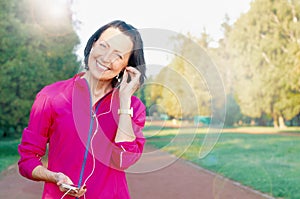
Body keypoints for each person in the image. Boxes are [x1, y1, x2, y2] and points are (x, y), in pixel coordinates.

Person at [18, 20, 147, 199]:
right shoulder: (51, 96)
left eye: (118, 55)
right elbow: (27, 160)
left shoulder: (133, 107)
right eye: (103, 46)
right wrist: (55, 177)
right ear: (93, 44)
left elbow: (123, 160)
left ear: (127, 67)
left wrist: (124, 102)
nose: (106, 58)